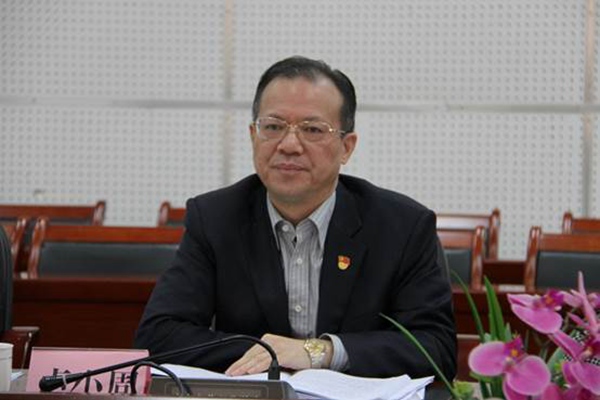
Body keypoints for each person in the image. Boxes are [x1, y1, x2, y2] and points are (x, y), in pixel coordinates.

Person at [134, 56, 457, 380]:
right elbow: (159, 336)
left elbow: (436, 348)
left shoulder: (402, 227)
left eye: (312, 129)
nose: (289, 145)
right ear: (253, 136)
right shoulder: (215, 219)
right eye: (273, 127)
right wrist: (269, 354)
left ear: (346, 147)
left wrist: (321, 353)